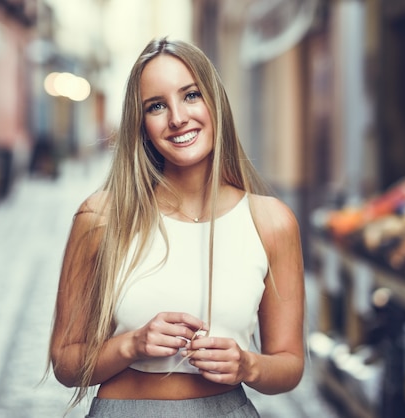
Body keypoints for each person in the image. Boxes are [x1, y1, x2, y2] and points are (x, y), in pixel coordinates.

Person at [48, 37, 305, 418]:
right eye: (156, 106)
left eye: (191, 95)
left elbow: (289, 364)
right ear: (141, 124)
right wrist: (132, 345)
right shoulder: (101, 217)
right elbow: (66, 364)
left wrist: (248, 365)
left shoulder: (271, 221)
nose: (177, 118)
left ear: (215, 102)